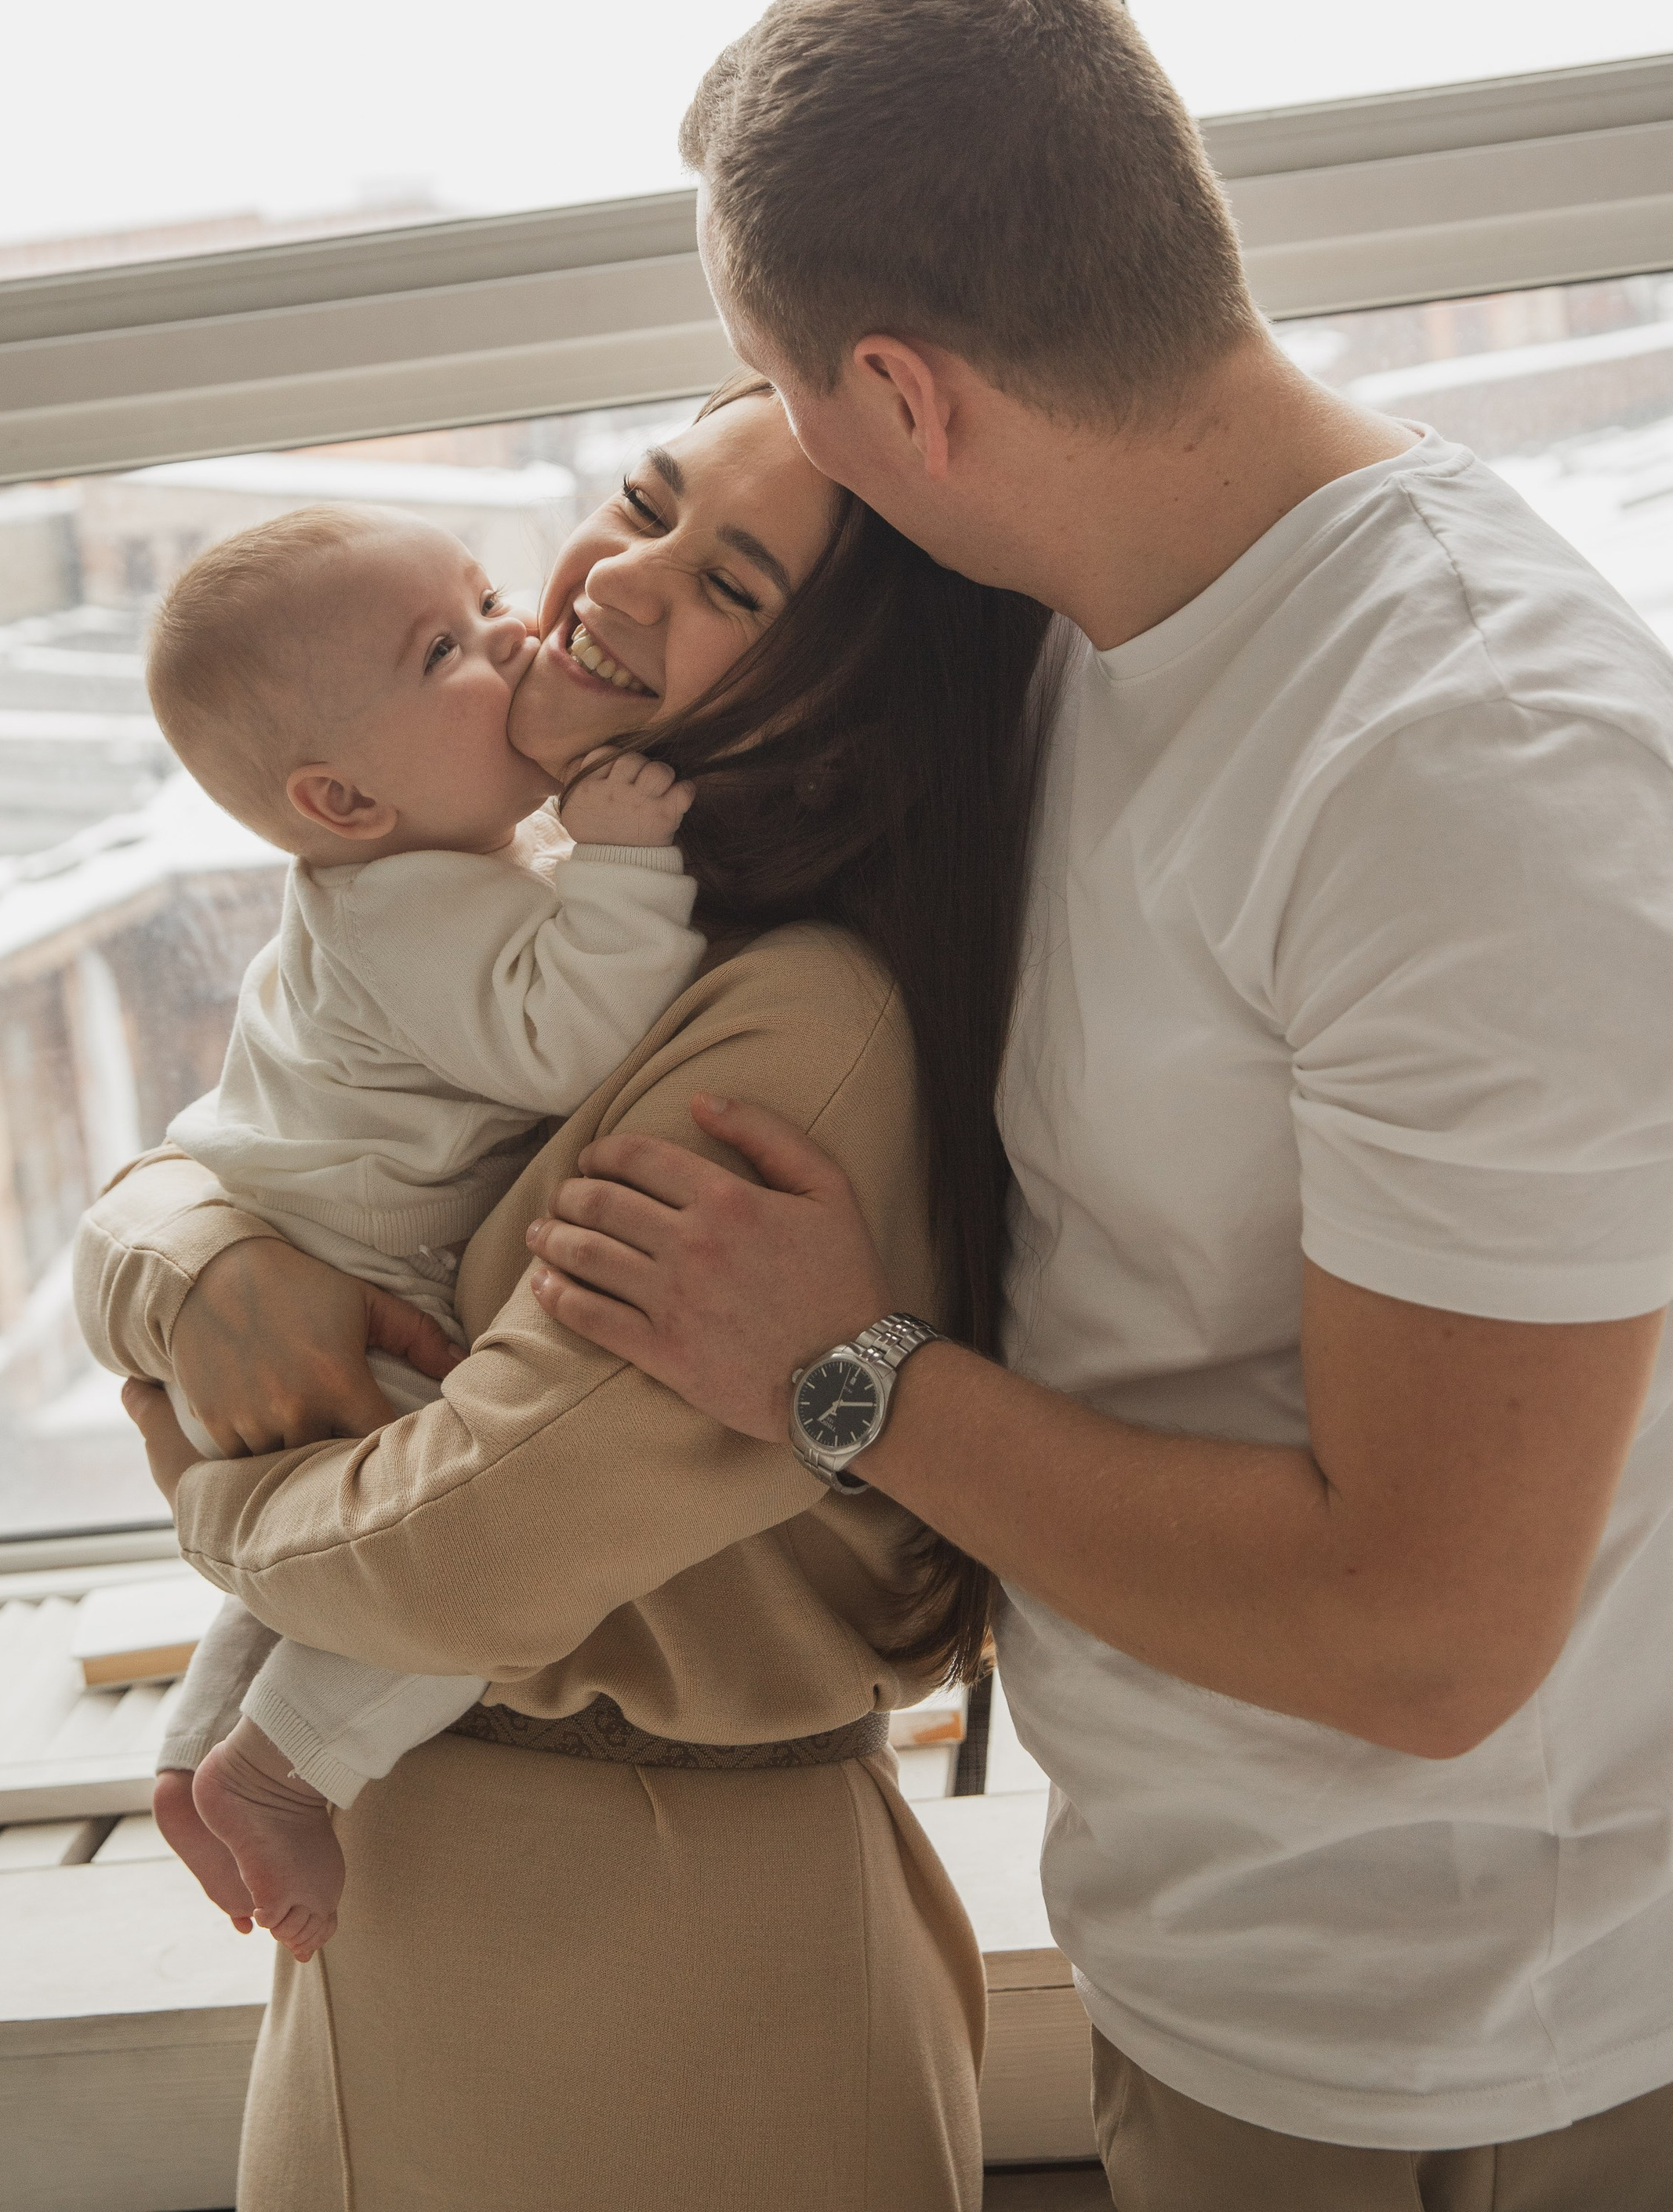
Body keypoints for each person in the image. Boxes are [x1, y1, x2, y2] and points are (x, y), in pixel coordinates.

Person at [525, 0, 1673, 2208]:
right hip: (1203, 1947)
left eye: (781, 381)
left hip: (1473, 2048)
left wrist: (840, 1367)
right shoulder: (1080, 620)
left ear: (911, 400)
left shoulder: (1473, 763)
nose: (776, 444)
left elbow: (1428, 1633)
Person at [75, 375, 1055, 2212]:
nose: (612, 578)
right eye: (641, 495)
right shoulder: (539, 894)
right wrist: (191, 1262)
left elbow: (456, 1543)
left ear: (848, 701)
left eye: (735, 584)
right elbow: (231, 1156)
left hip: (651, 1950)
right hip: (428, 1880)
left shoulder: (790, 1026)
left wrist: (205, 1478)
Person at [119, 500, 706, 1961]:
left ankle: (201, 1751)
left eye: (486, 596)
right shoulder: (402, 906)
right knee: (446, 1577)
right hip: (350, 1295)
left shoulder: (409, 880)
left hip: (300, 1254)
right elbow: (564, 1041)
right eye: (447, 646)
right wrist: (626, 860)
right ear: (343, 805)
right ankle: (279, 1771)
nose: (515, 634)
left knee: (315, 1577)